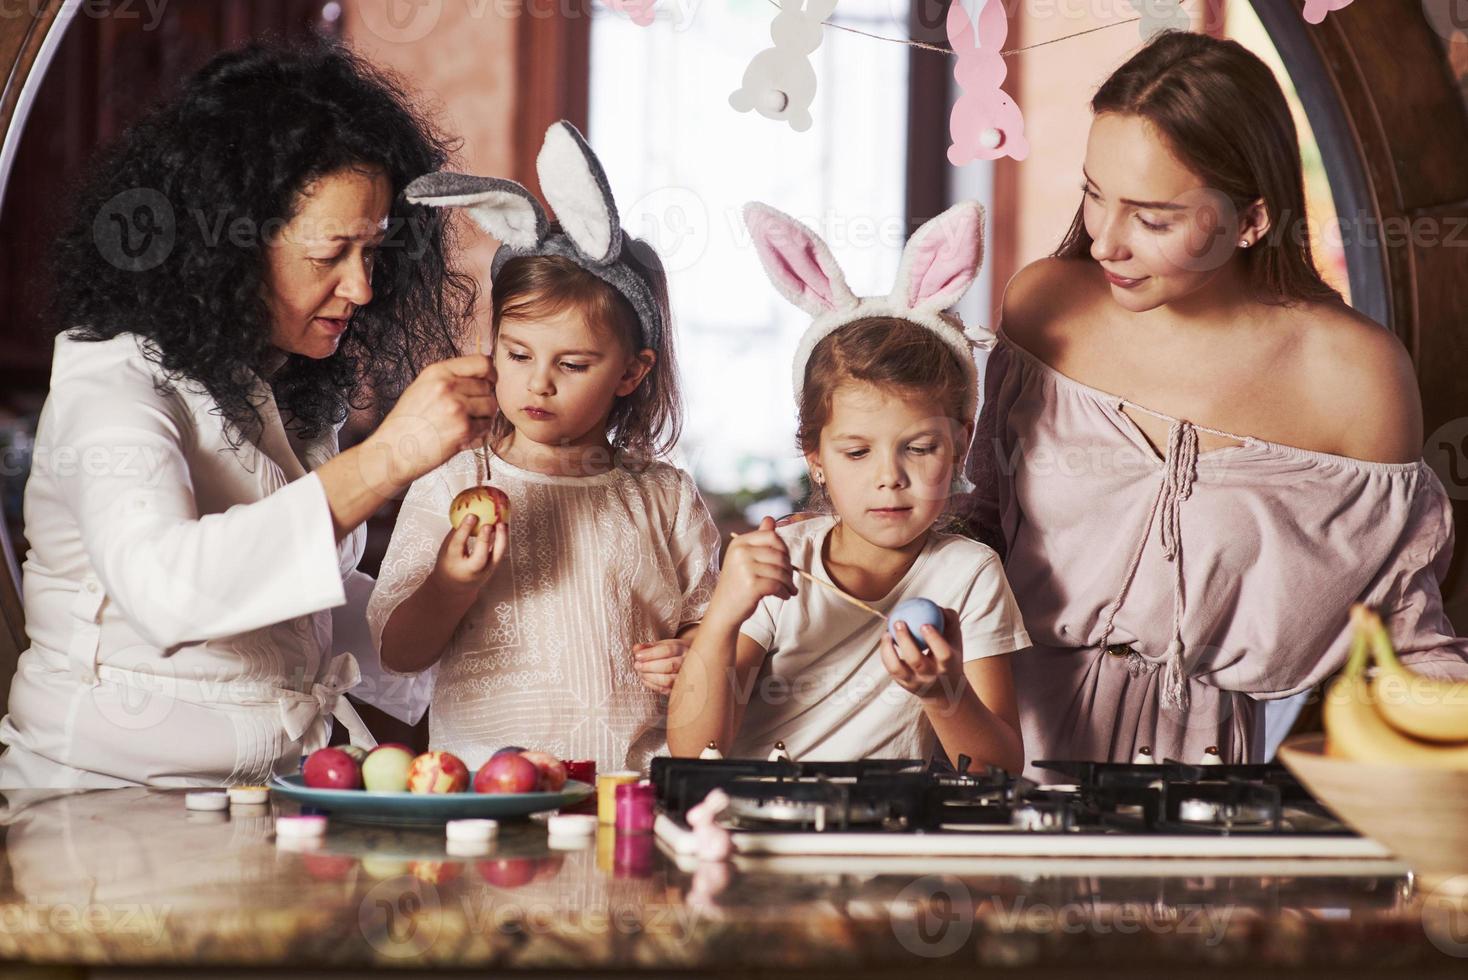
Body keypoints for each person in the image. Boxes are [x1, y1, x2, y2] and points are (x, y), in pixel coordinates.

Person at [965, 30, 1468, 779]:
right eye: (1094, 196)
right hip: (999, 746)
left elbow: (1400, 635)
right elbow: (981, 526)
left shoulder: (1355, 377)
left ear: (1252, 219)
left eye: (1154, 218)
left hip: (1210, 787)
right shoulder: (1046, 308)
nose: (1106, 243)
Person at [0, 41, 495, 788]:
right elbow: (166, 589)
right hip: (101, 812)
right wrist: (388, 457)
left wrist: (447, 592)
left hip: (271, 801)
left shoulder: (281, 382)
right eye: (331, 253)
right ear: (228, 246)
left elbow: (297, 617)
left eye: (374, 252)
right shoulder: (112, 379)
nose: (361, 288)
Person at [367, 122, 720, 773]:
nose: (538, 382)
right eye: (518, 353)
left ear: (632, 372)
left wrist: (694, 652)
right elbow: (399, 651)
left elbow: (714, 630)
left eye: (574, 364)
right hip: (481, 795)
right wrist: (450, 582)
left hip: (627, 792)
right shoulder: (450, 482)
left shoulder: (664, 498)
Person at [668, 201, 1029, 771]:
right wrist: (722, 618)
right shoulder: (783, 559)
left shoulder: (968, 573)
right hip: (752, 823)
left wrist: (942, 692)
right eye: (857, 452)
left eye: (919, 447)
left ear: (961, 443)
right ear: (814, 456)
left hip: (882, 833)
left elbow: (1000, 770)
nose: (889, 476)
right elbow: (693, 751)